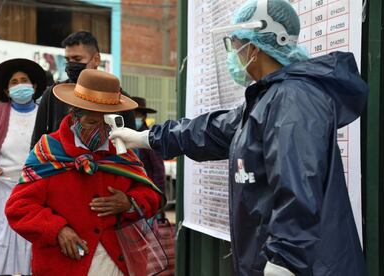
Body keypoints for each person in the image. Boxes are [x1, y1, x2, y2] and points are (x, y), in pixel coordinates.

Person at [110, 0, 369, 275]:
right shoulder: (268, 98)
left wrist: (284, 261)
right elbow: (209, 130)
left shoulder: (293, 99)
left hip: (304, 267)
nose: (233, 55)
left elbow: (299, 186)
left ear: (254, 48)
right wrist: (146, 137)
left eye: (235, 46)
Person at [5, 69, 163, 276]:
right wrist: (57, 229)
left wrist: (129, 202)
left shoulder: (123, 153)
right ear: (74, 115)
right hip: (63, 264)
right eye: (92, 122)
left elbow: (153, 196)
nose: (101, 131)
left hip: (119, 262)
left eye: (106, 123)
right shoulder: (49, 151)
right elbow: (19, 207)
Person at [0, 58, 47, 276]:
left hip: (34, 192)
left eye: (24, 80)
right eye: (14, 82)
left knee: (30, 253)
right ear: (6, 90)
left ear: (33, 86)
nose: (20, 84)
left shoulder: (44, 115)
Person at [30, 31, 136, 149]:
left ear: (96, 59)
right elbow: (37, 141)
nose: (71, 64)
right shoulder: (53, 94)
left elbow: (131, 145)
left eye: (77, 59)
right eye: (68, 59)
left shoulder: (119, 100)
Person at [132, 97, 166, 197]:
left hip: (147, 193)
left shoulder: (149, 138)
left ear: (143, 117)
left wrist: (157, 197)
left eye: (136, 115)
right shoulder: (128, 136)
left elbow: (159, 171)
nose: (133, 118)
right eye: (131, 115)